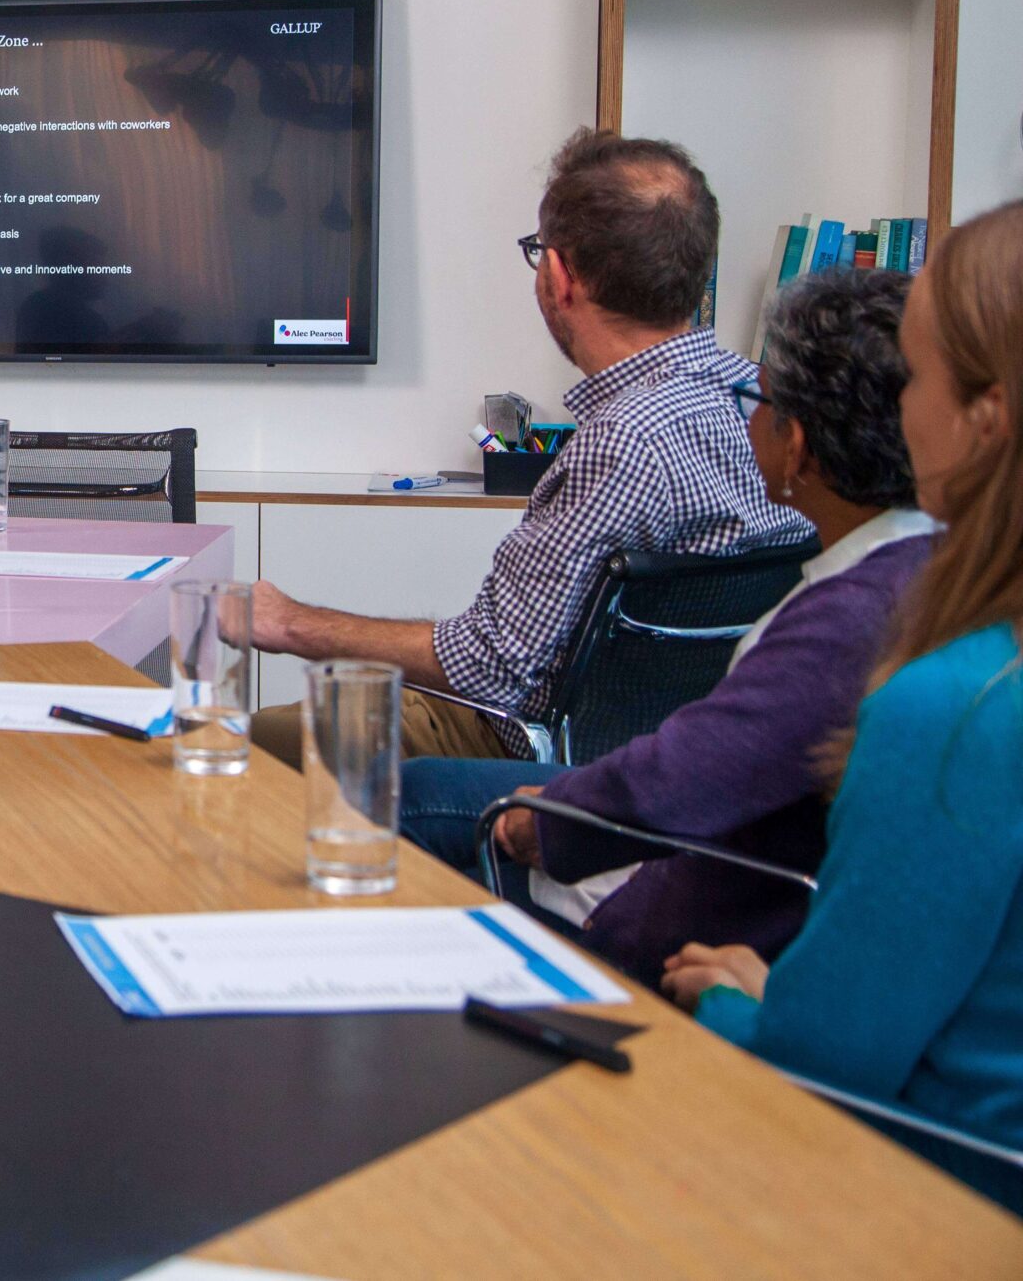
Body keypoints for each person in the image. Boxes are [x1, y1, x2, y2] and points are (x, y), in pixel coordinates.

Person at [398, 267, 932, 984]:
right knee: (429, 785)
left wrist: (552, 818)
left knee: (400, 802)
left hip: (670, 897)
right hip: (691, 827)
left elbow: (686, 776)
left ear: (798, 443)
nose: (743, 418)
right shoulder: (919, 558)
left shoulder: (845, 616)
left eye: (759, 400)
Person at [662, 201, 1023, 1200]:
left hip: (926, 1206)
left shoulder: (955, 707)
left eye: (914, 380)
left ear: (981, 421)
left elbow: (823, 1068)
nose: (897, 415)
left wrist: (740, 1006)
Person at [251, 130, 811, 761]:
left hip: (534, 756)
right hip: (690, 755)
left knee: (248, 738)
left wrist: (286, 621)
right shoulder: (764, 402)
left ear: (559, 276)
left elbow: (488, 666)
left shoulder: (622, 442)